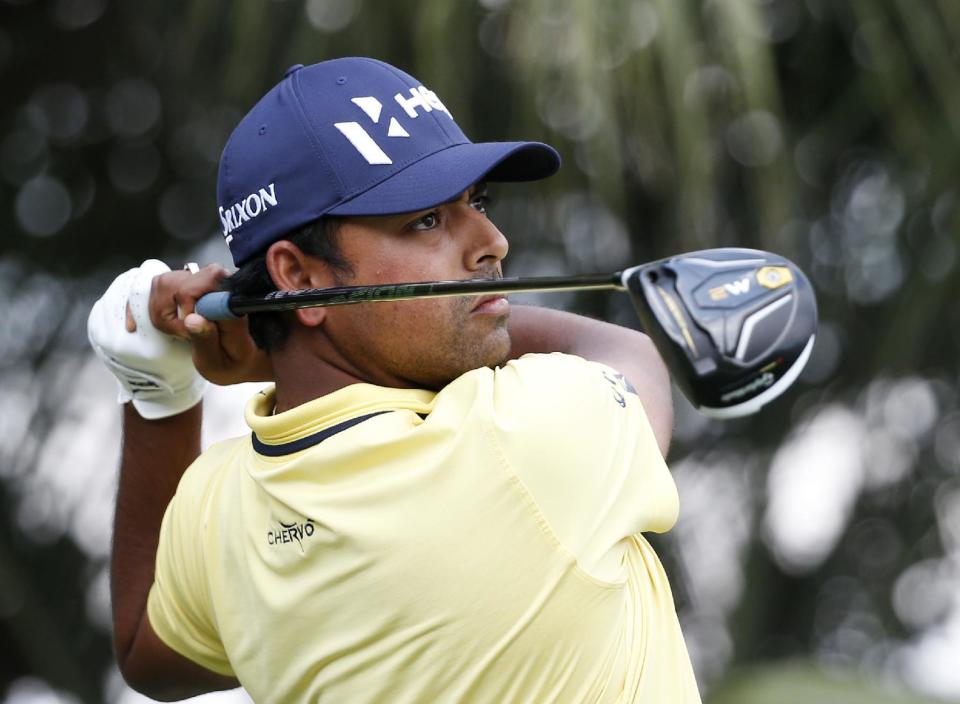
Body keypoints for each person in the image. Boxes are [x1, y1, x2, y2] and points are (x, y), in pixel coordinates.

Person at [88, 57, 702, 703]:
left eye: (477, 203)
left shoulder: (216, 505)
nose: (493, 241)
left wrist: (159, 393)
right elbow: (624, 349)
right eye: (427, 220)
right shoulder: (518, 439)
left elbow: (144, 655)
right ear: (298, 276)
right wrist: (272, 354)